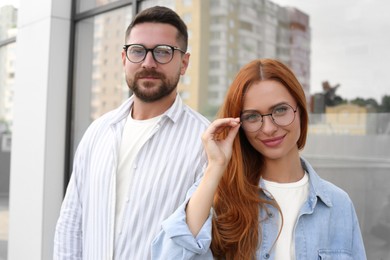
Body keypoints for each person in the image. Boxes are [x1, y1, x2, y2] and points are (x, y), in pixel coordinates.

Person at [152, 59, 367, 259]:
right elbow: (169, 254)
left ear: (300, 110)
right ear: (239, 124)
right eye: (252, 117)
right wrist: (216, 166)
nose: (269, 128)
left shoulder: (338, 205)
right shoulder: (219, 194)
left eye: (280, 110)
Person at [53, 6, 209, 260]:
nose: (149, 63)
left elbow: (204, 240)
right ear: (124, 59)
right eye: (138, 51)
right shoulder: (98, 132)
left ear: (184, 63)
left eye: (163, 52)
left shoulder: (204, 143)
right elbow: (71, 223)